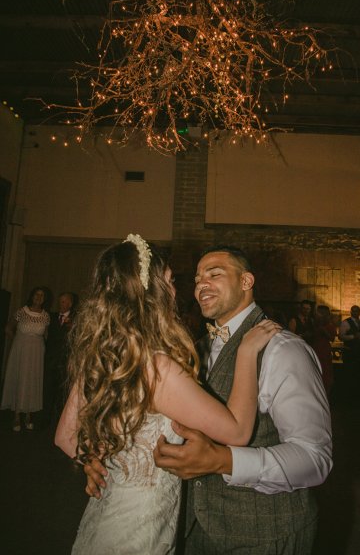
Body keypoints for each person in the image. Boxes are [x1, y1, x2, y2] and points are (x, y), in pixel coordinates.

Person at [86, 245, 332, 555]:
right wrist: (107, 457)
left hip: (264, 535)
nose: (201, 284)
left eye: (214, 274)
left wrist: (223, 460)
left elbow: (314, 459)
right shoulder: (192, 349)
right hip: (189, 531)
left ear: (246, 282)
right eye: (198, 278)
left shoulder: (284, 350)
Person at [55, 235, 281, 555]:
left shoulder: (100, 355)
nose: (177, 291)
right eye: (171, 281)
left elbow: (65, 437)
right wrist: (245, 353)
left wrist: (92, 460)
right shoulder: (157, 369)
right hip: (139, 531)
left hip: (105, 514)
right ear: (153, 291)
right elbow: (238, 431)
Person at [1, 286, 50, 431]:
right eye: (36, 294)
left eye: (42, 295)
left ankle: (29, 414)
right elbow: (8, 329)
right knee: (20, 378)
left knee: (32, 380)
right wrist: (17, 343)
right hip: (21, 350)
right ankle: (17, 415)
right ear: (32, 296)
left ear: (45, 299)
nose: (39, 298)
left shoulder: (46, 316)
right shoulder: (22, 311)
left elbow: (46, 335)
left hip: (37, 352)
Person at [43, 291, 77, 426]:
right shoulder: (50, 317)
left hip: (66, 361)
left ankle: (60, 422)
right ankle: (45, 419)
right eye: (60, 301)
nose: (61, 304)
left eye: (64, 301)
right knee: (47, 390)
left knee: (63, 393)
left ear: (70, 303)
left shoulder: (77, 319)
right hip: (51, 359)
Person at [339, 304, 360, 397]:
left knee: (359, 374)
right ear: (351, 312)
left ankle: (357, 396)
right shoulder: (345, 322)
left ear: (359, 312)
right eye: (353, 311)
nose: (355, 312)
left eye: (357, 311)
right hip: (349, 352)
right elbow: (341, 336)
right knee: (349, 374)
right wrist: (353, 336)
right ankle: (348, 396)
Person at [311, 305, 336, 397]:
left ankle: (325, 396)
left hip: (324, 350)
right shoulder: (314, 324)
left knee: (325, 372)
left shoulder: (330, 325)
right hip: (315, 349)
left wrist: (323, 330)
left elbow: (332, 338)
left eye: (319, 313)